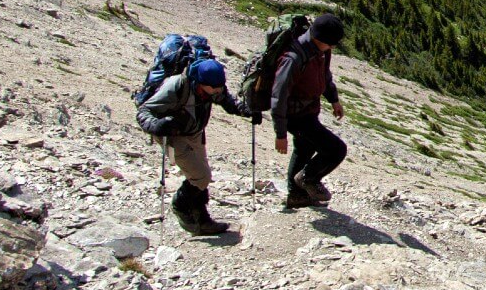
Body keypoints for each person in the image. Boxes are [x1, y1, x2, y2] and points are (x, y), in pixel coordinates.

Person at [137, 58, 253, 235]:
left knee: (201, 177)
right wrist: (157, 126)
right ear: (200, 82)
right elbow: (144, 112)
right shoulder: (177, 86)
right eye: (213, 88)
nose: (218, 91)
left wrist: (245, 110)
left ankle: (202, 220)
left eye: (220, 86)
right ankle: (180, 206)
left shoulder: (211, 86)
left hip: (194, 133)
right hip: (173, 135)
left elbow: (227, 101)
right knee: (201, 176)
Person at [266, 14, 348, 208]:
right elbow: (278, 97)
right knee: (336, 149)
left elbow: (324, 76)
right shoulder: (293, 58)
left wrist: (334, 100)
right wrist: (280, 133)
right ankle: (308, 178)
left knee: (304, 148)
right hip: (297, 116)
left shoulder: (320, 51)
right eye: (331, 43)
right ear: (319, 39)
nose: (333, 47)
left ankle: (296, 196)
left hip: (310, 109)